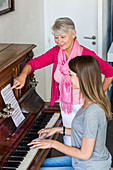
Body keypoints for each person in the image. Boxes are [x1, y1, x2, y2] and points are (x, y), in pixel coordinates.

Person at [11, 17, 113, 146]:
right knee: (69, 142)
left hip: (84, 106)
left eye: (63, 37)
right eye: (56, 37)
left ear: (73, 34)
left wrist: (96, 96)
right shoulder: (56, 52)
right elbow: (34, 63)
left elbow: (110, 72)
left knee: (85, 144)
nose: (59, 41)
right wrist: (22, 76)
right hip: (66, 106)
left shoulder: (87, 55)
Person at [28, 55, 112, 170]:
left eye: (71, 75)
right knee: (36, 164)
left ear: (82, 78)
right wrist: (59, 130)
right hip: (84, 161)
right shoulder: (89, 102)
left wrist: (53, 144)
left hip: (90, 166)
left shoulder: (92, 112)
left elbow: (85, 154)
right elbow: (87, 131)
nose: (67, 78)